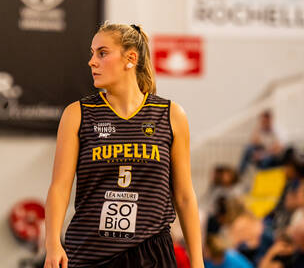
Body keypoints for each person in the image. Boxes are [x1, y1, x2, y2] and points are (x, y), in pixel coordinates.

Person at [43, 22, 204, 268]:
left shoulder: (171, 115)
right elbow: (59, 187)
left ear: (130, 58)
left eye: (102, 53)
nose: (92, 61)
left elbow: (184, 196)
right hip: (90, 251)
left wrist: (197, 262)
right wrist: (52, 243)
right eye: (92, 53)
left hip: (152, 253)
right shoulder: (77, 114)